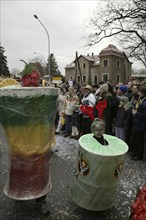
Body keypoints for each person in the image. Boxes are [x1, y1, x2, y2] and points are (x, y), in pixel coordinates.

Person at [130, 84, 146, 161]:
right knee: (136, 139)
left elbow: (144, 116)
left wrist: (136, 113)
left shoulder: (145, 102)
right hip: (136, 122)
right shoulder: (140, 99)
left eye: (139, 92)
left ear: (142, 93)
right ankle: (135, 152)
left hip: (141, 124)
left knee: (140, 140)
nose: (138, 93)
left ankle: (139, 156)